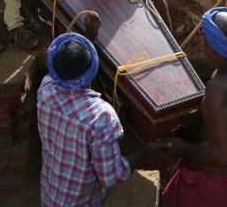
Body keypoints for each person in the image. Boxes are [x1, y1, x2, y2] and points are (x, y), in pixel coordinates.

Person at [159, 7, 227, 207]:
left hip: (213, 186)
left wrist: (184, 148)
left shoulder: (219, 90)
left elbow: (222, 158)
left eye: (205, 37)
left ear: (216, 51)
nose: (201, 41)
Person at [38, 33, 155, 206]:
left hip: (50, 195)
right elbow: (112, 177)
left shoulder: (45, 89)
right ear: (92, 71)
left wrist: (88, 39)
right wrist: (145, 152)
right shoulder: (101, 117)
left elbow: (64, 71)